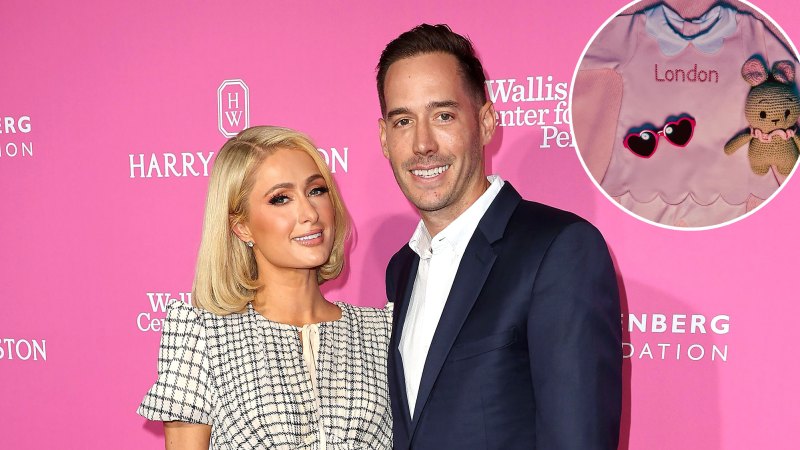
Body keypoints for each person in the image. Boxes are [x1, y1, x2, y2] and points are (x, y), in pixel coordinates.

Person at [377, 24, 622, 449]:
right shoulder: (401, 268)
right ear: (384, 138)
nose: (422, 144)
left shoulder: (559, 251)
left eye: (443, 116)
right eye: (403, 121)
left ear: (486, 122)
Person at [137, 126, 392, 449]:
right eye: (281, 199)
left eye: (316, 190)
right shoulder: (204, 337)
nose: (309, 214)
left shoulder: (383, 330)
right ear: (242, 227)